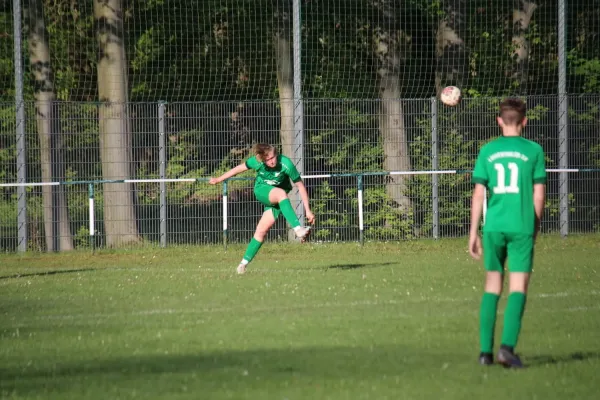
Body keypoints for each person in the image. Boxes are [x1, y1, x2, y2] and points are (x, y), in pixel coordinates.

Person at [469, 98, 546, 368]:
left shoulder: (488, 151)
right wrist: (534, 225)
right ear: (524, 121)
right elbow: (539, 195)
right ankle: (506, 348)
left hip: (493, 228)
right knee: (518, 286)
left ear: (499, 121)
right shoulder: (534, 150)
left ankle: (484, 354)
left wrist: (473, 233)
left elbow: (479, 193)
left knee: (492, 286)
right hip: (520, 226)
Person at [209, 143, 315, 274]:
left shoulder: (286, 164)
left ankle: (242, 265)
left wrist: (308, 211)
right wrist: (219, 179)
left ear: (276, 154)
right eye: (267, 160)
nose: (270, 162)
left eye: (272, 158)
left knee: (261, 232)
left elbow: (300, 186)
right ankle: (298, 229)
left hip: (277, 199)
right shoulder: (257, 161)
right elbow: (238, 168)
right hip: (261, 191)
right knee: (281, 193)